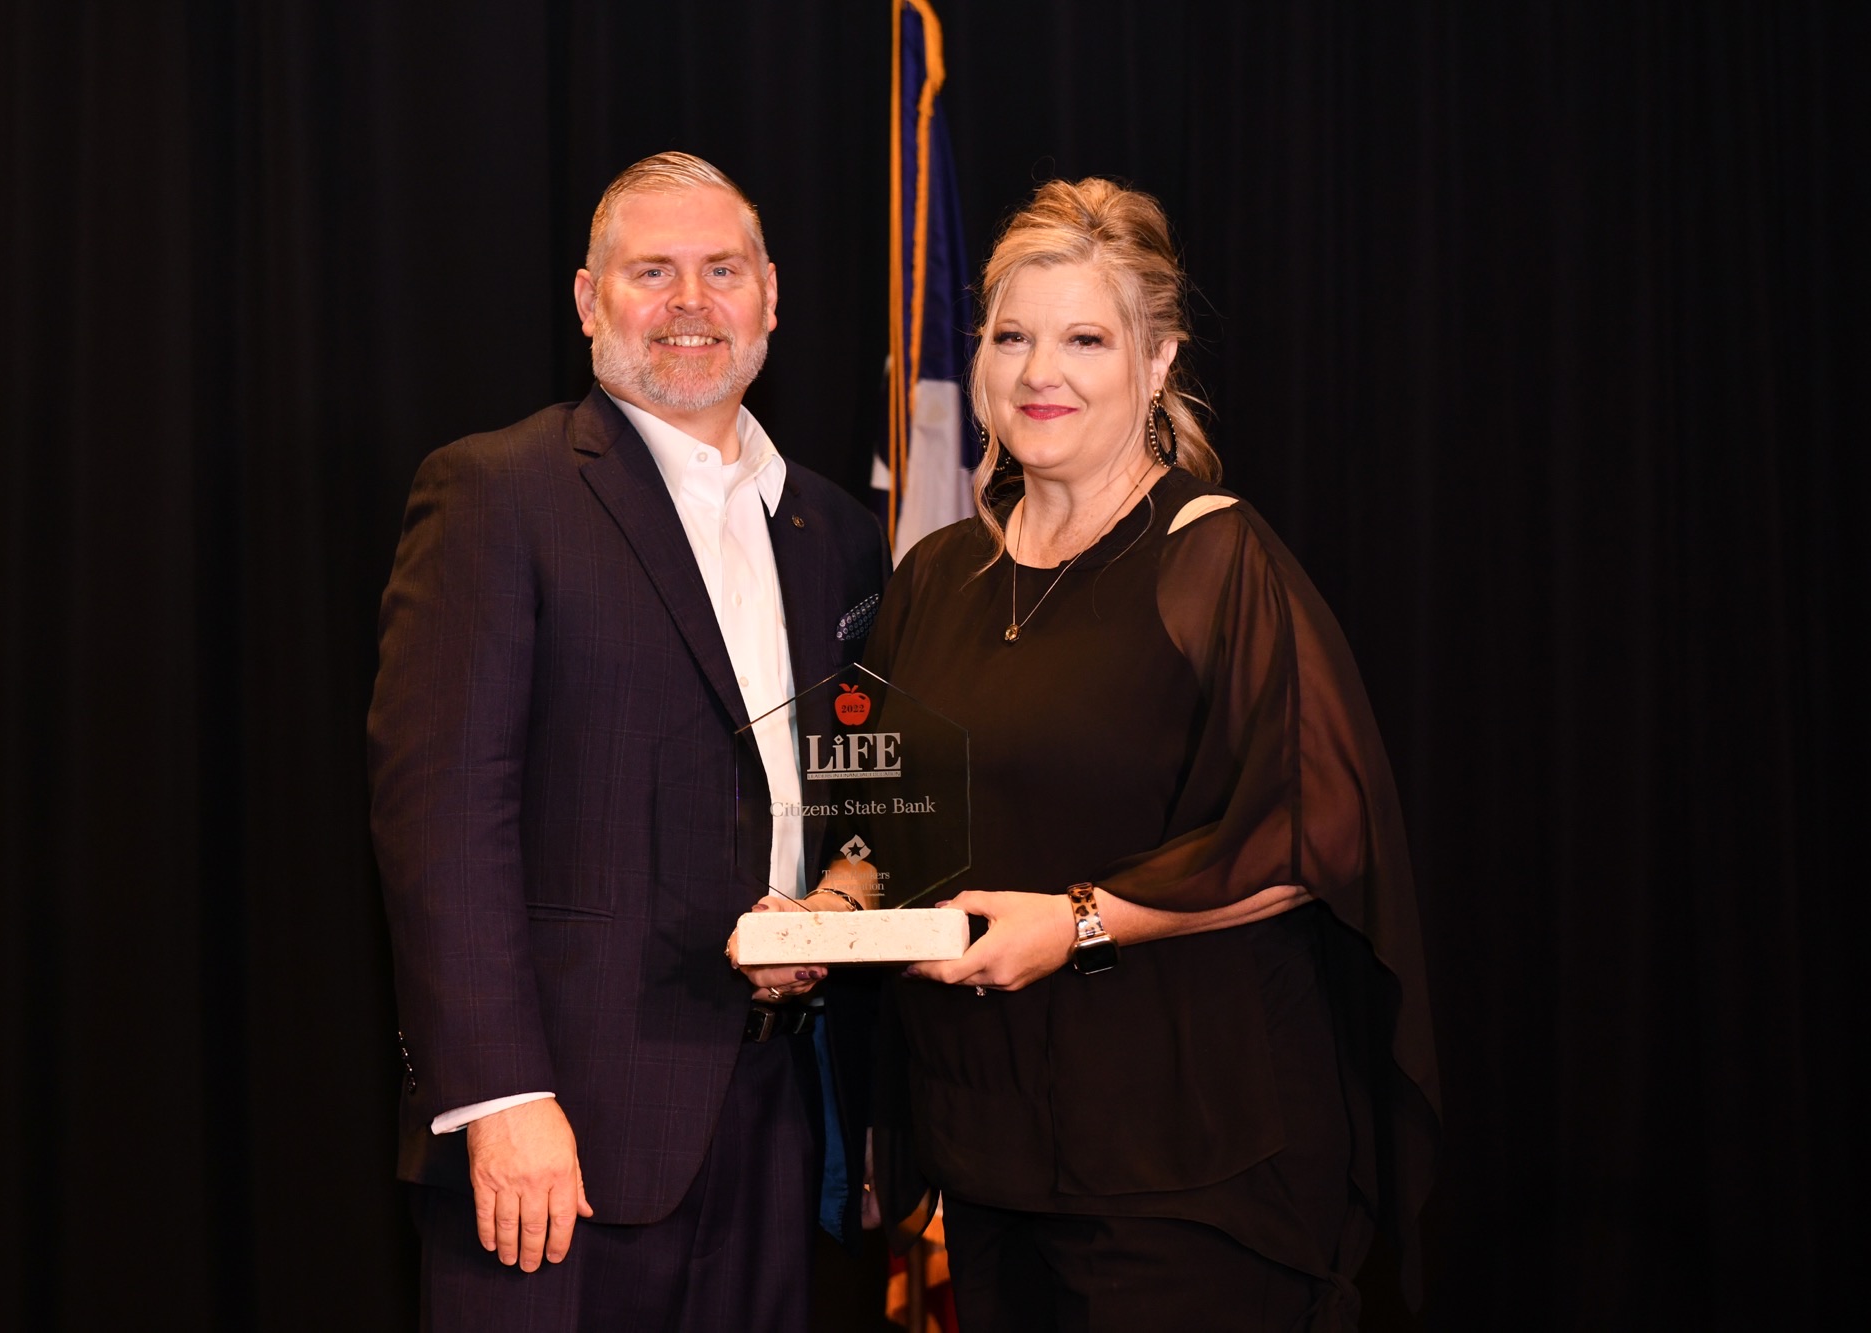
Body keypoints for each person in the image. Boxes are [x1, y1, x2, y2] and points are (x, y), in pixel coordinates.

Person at [863, 179, 1441, 1332]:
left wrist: (1076, 921)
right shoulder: (932, 576)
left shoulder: (1213, 559)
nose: (1041, 373)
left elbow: (1311, 833)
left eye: (1085, 338)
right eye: (1013, 336)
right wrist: (831, 898)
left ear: (1158, 358)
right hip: (989, 1158)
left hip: (1188, 1168)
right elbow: (887, 813)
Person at [368, 151, 887, 1332]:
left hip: (778, 1115)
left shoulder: (839, 534)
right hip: (558, 1139)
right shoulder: (497, 492)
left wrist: (843, 909)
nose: (690, 302)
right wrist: (499, 1095)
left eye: (720, 269)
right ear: (588, 300)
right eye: (650, 271)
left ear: (770, 294)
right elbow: (441, 815)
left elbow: (869, 792)